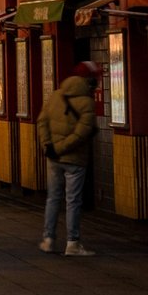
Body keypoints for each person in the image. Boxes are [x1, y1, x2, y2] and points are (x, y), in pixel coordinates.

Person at [36, 60, 99, 257]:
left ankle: (48, 239)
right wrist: (60, 148)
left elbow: (41, 121)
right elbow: (82, 133)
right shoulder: (87, 102)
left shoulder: (56, 95)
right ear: (88, 80)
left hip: (53, 158)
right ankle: (72, 242)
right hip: (74, 160)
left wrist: (49, 147)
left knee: (53, 198)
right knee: (73, 200)